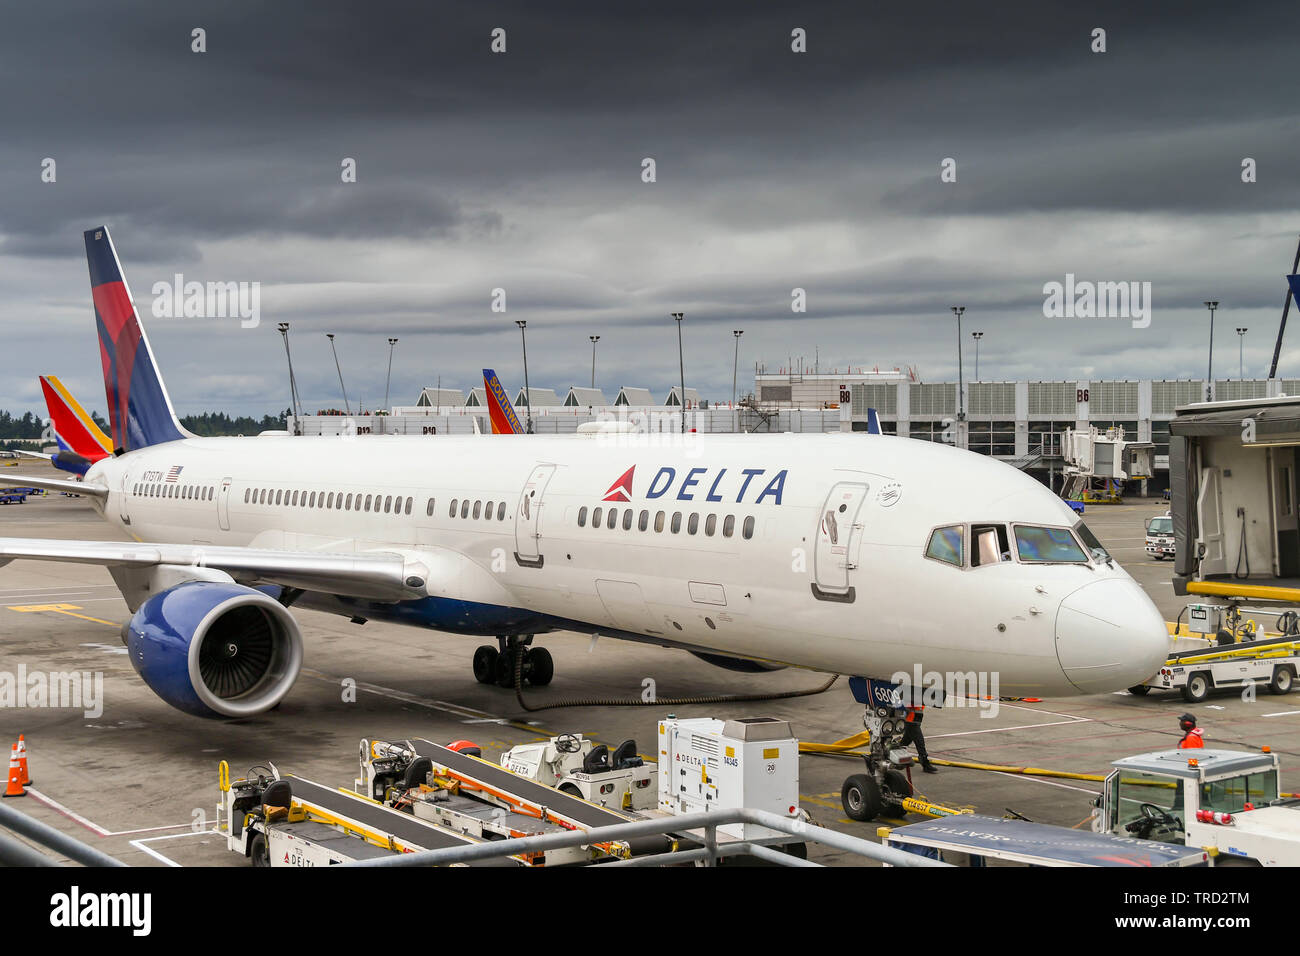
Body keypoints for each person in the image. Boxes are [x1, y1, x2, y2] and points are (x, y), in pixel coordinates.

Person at [901, 704, 937, 772]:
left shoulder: (920, 697)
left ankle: (891, 751)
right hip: (911, 722)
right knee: (920, 743)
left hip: (915, 721)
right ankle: (925, 764)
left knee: (905, 742)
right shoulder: (913, 696)